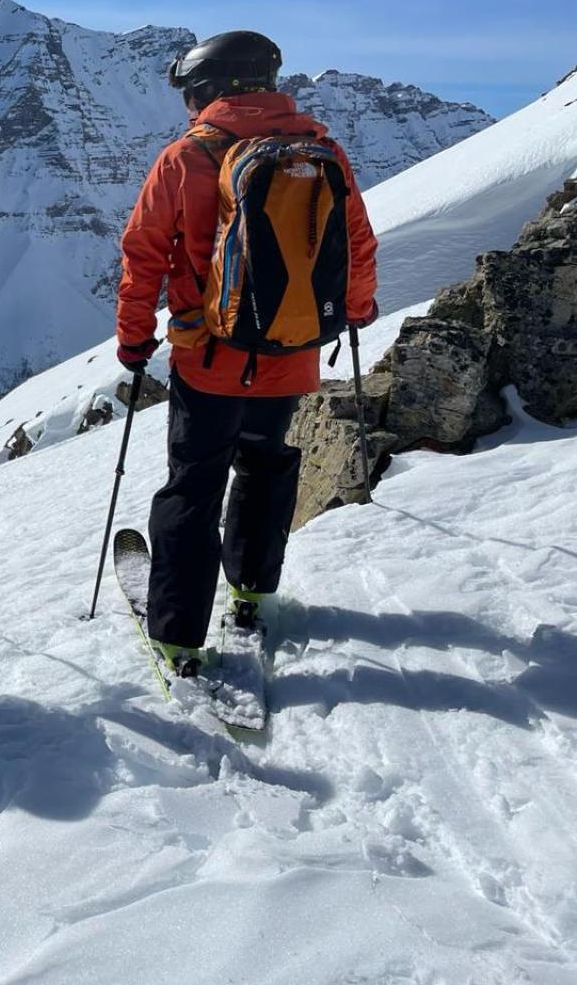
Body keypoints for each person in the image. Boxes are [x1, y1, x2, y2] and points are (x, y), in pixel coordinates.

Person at [115, 33, 379, 675]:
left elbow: (142, 255)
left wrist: (132, 338)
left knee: (194, 489)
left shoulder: (185, 158)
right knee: (265, 466)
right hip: (291, 355)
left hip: (207, 362)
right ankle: (253, 593)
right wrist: (354, 311)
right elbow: (358, 245)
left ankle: (178, 636)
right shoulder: (321, 152)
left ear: (210, 88)